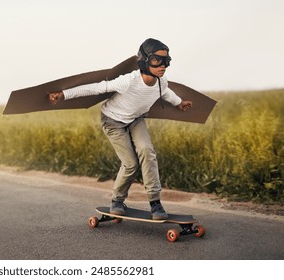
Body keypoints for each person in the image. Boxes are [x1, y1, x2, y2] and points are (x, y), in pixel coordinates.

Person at [48, 38, 193, 220]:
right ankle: (117, 201)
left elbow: (166, 92)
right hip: (113, 121)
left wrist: (179, 103)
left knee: (148, 152)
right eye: (157, 60)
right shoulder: (128, 81)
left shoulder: (160, 82)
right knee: (130, 164)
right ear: (144, 61)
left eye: (167, 60)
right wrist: (63, 94)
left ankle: (155, 203)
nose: (163, 65)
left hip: (136, 120)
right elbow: (96, 88)